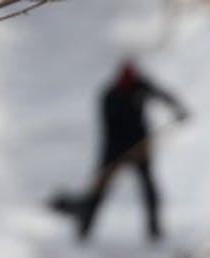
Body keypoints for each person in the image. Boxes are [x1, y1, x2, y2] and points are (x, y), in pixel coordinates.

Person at [76, 59, 189, 243]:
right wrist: (121, 152)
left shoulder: (140, 86)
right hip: (114, 148)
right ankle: (84, 229)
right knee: (100, 189)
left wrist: (179, 110)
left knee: (149, 189)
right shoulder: (109, 96)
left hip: (140, 145)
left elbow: (162, 95)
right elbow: (109, 129)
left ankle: (154, 231)